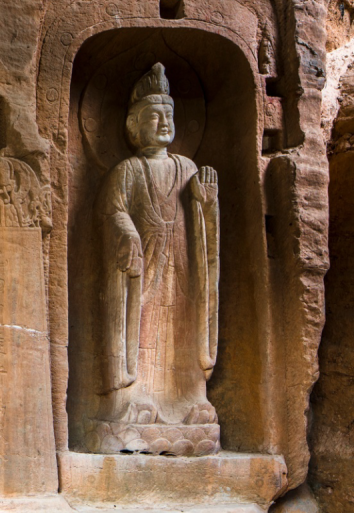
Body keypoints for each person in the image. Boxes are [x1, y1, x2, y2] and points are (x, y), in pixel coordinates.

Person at [95, 63, 220, 449]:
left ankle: (190, 401)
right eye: (154, 115)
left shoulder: (187, 167)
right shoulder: (128, 171)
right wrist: (128, 234)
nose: (164, 122)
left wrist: (206, 203)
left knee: (183, 325)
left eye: (169, 114)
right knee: (145, 326)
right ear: (133, 126)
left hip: (182, 267)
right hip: (144, 270)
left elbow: (204, 220)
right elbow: (110, 211)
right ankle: (135, 399)